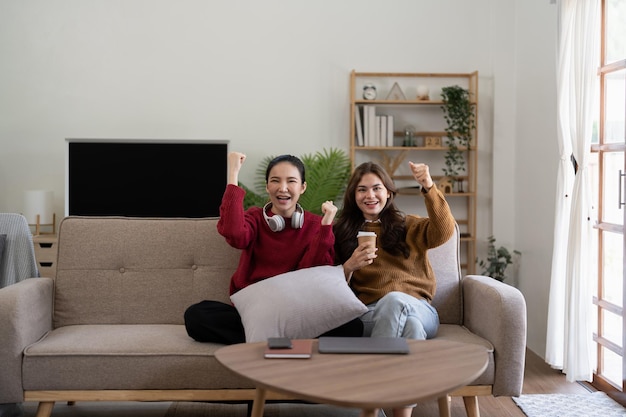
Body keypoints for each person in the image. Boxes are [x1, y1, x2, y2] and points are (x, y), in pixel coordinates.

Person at [184, 151, 362, 344]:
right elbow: (234, 234)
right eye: (275, 181)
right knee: (197, 315)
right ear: (268, 186)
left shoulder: (317, 225)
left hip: (298, 311)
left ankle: (265, 339)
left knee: (353, 326)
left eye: (291, 181)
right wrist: (233, 174)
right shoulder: (254, 218)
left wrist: (326, 226)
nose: (282, 188)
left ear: (302, 187)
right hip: (256, 311)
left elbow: (313, 272)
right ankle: (285, 339)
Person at [333, 161, 456, 417]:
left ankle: (370, 407)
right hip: (369, 314)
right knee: (411, 327)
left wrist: (428, 186)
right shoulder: (341, 233)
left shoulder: (408, 226)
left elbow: (444, 232)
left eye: (376, 188)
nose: (369, 195)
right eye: (362, 189)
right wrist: (349, 266)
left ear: (388, 192)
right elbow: (329, 286)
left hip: (420, 307)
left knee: (397, 302)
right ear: (353, 195)